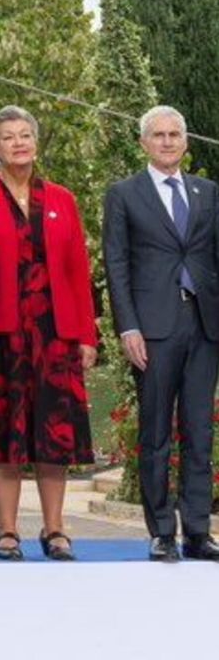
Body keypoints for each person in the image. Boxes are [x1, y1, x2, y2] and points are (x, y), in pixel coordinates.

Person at [0, 107, 98, 562]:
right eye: (8, 138)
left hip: (54, 334)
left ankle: (55, 529)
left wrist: (86, 334)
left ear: (36, 144)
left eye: (25, 136)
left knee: (53, 436)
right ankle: (7, 530)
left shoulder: (61, 198)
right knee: (5, 435)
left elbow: (78, 270)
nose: (18, 143)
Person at [104, 105, 219, 563]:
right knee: (155, 432)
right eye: (159, 135)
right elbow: (116, 264)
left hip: (205, 326)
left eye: (175, 135)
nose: (168, 142)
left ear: (186, 143)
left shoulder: (209, 192)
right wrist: (127, 325)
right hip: (151, 329)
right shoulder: (125, 194)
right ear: (144, 143)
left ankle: (197, 530)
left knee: (199, 430)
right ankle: (161, 532)